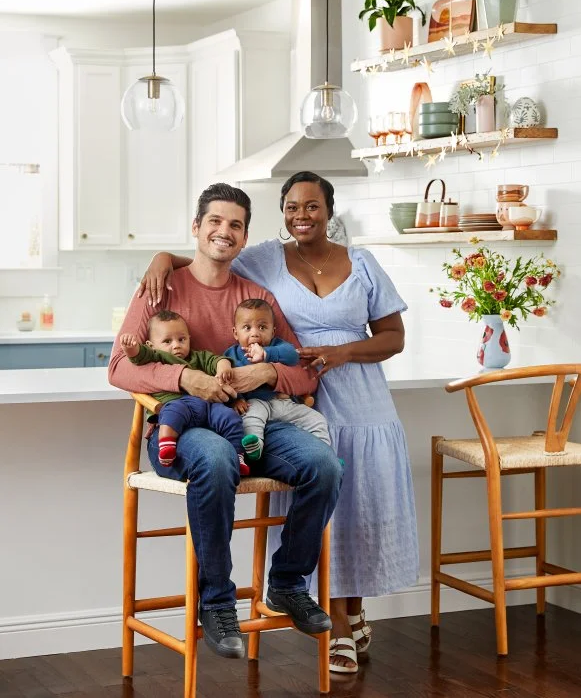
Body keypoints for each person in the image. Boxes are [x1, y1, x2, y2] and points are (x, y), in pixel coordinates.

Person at [141, 172, 419, 674]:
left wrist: (324, 356)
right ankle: (279, 612)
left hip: (347, 395)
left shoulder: (360, 263)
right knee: (309, 487)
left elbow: (393, 336)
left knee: (356, 497)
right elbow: (211, 255)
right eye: (291, 207)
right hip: (279, 405)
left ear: (329, 211)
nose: (301, 216)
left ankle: (335, 606)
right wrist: (165, 258)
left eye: (311, 207)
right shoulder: (256, 259)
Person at [109, 182, 343, 661]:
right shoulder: (161, 287)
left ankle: (287, 584)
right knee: (215, 459)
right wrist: (185, 377)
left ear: (244, 236)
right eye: (214, 221)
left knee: (324, 464)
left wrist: (270, 370)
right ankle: (216, 604)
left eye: (235, 225)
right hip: (183, 430)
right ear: (196, 228)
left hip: (251, 423)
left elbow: (301, 369)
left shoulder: (255, 296)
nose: (224, 231)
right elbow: (119, 366)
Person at [120, 309, 258, 475]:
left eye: (181, 339)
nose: (176, 345)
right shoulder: (157, 356)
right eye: (167, 341)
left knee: (230, 418)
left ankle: (239, 456)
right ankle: (167, 446)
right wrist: (131, 348)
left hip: (208, 407)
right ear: (151, 345)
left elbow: (217, 360)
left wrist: (223, 368)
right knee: (171, 413)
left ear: (189, 339)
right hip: (179, 404)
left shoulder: (197, 357)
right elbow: (139, 356)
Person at [225, 298, 330, 457]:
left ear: (272, 331)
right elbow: (228, 380)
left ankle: (326, 452)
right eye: (247, 328)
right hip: (255, 402)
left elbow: (293, 357)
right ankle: (255, 448)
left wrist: (267, 354)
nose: (255, 333)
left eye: (262, 327)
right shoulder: (231, 355)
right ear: (235, 332)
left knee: (317, 420)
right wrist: (236, 399)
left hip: (283, 402)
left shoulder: (277, 346)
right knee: (250, 420)